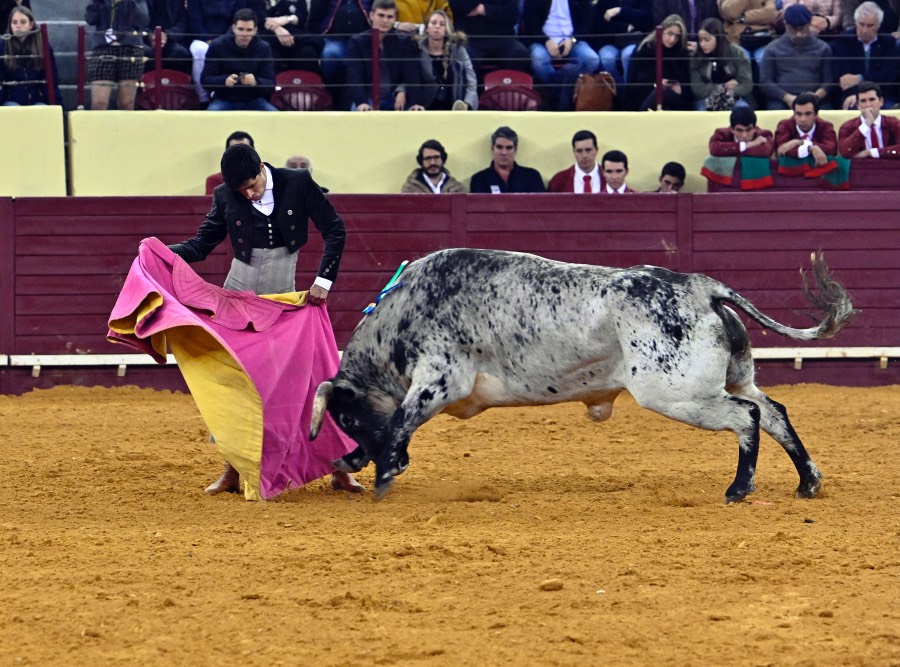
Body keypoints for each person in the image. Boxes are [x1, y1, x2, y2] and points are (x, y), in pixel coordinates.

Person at [168, 142, 362, 495]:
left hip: (283, 299)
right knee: (236, 381)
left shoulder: (297, 182)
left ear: (261, 168)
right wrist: (164, 254)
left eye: (251, 185)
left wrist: (323, 281)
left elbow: (335, 229)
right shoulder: (225, 195)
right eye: (240, 190)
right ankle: (232, 470)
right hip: (238, 299)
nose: (248, 194)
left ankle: (340, 467)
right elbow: (201, 244)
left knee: (313, 378)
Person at [522, 0, 600, 111]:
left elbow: (587, 23)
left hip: (573, 40)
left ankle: (557, 92)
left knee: (592, 59)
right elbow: (531, 24)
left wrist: (572, 40)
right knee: (538, 59)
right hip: (543, 41)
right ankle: (563, 92)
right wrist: (546, 41)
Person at [346, 0, 421, 110]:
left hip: (394, 98)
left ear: (395, 19)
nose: (385, 20)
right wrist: (362, 102)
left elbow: (412, 75)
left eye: (389, 17)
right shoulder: (357, 42)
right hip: (367, 98)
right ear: (371, 15)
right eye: (381, 15)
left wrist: (403, 91)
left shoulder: (404, 41)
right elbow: (354, 76)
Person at [202, 8, 278, 111]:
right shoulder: (217, 46)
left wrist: (256, 82)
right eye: (240, 29)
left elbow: (271, 83)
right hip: (224, 100)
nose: (244, 34)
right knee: (209, 117)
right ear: (233, 28)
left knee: (276, 116)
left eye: (249, 30)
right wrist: (224, 81)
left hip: (254, 100)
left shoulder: (263, 48)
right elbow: (205, 80)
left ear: (255, 30)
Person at [758, 4, 832, 110]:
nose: (799, 34)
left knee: (827, 113)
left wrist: (815, 97)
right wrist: (786, 97)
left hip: (816, 99)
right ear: (786, 25)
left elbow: (829, 81)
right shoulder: (773, 49)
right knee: (776, 112)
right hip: (782, 100)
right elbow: (765, 81)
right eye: (793, 29)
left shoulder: (823, 48)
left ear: (809, 24)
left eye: (802, 29)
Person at [831, 2, 898, 110]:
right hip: (853, 94)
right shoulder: (844, 40)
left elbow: (888, 75)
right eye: (861, 24)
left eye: (870, 25)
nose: (864, 30)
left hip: (882, 95)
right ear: (855, 22)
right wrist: (857, 95)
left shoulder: (888, 42)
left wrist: (860, 78)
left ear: (879, 25)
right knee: (854, 106)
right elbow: (844, 78)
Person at [84, 0, 150, 110]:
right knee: (99, 103)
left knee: (126, 103)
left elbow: (143, 20)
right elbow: (90, 18)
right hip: (103, 47)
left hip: (130, 47)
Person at [408, 10, 477, 110]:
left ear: (446, 30)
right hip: (424, 106)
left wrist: (467, 104)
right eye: (433, 23)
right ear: (427, 28)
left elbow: (471, 80)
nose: (437, 26)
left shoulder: (458, 50)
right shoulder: (417, 50)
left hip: (453, 106)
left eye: (442, 24)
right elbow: (408, 77)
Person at [309, 0, 373, 108]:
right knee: (329, 55)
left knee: (362, 64)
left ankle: (358, 101)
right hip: (335, 39)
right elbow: (315, 18)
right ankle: (332, 99)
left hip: (363, 41)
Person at [187, 1, 252, 105]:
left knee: (230, 48)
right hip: (202, 38)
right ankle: (203, 99)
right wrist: (207, 39)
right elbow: (194, 20)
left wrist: (222, 41)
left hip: (230, 37)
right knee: (199, 50)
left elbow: (237, 20)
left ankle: (221, 94)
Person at [626, 14, 693, 111]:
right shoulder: (644, 50)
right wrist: (655, 85)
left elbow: (688, 89)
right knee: (660, 92)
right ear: (661, 31)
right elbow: (632, 83)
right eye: (670, 34)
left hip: (674, 101)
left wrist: (680, 89)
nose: (673, 39)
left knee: (664, 94)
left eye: (677, 36)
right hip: (645, 98)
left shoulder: (681, 53)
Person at [448, 0, 530, 76]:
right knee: (462, 57)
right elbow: (457, 7)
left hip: (502, 37)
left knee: (519, 54)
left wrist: (483, 9)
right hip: (470, 39)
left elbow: (512, 14)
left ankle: (509, 86)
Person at [0, 6, 61, 106]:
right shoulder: (3, 46)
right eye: (14, 22)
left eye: (23, 22)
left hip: (37, 99)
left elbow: (52, 78)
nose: (18, 26)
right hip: (11, 99)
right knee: (12, 109)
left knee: (43, 110)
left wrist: (56, 105)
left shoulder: (43, 46)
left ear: (31, 25)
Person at [690, 16, 755, 110]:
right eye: (700, 40)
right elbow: (698, 90)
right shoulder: (695, 58)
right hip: (705, 99)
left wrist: (731, 92)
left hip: (735, 97)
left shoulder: (736, 52)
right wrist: (723, 87)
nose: (702, 44)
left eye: (707, 40)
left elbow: (747, 84)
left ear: (718, 38)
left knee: (742, 110)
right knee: (703, 113)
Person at [590, 0, 653, 84]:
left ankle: (629, 88)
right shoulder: (602, 2)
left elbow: (646, 18)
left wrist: (620, 11)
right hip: (609, 41)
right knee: (607, 59)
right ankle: (618, 90)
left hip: (633, 40)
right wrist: (625, 27)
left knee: (628, 55)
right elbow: (599, 25)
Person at [470, 126, 545, 193]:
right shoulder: (479, 179)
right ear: (492, 149)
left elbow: (541, 203)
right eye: (499, 147)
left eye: (509, 148)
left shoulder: (532, 177)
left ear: (515, 150)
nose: (504, 152)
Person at [838, 81, 900, 159]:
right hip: (861, 166)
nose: (868, 105)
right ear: (858, 105)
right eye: (863, 101)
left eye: (872, 99)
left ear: (881, 102)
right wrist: (866, 125)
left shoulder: (893, 123)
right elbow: (845, 152)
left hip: (889, 165)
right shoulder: (848, 126)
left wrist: (870, 153)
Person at [257, 0, 323, 73]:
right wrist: (277, 29)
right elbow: (259, 18)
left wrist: (287, 19)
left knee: (308, 52)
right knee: (270, 55)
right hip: (268, 36)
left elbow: (302, 16)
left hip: (294, 35)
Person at [774, 91, 838, 165]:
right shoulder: (785, 125)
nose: (803, 119)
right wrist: (810, 148)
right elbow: (781, 151)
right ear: (794, 114)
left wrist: (799, 143)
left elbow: (831, 150)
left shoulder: (826, 126)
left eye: (808, 114)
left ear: (816, 114)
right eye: (798, 114)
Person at [718, 0, 778, 69]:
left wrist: (744, 18)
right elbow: (730, 12)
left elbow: (771, 13)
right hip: (737, 40)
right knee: (743, 61)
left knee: (764, 59)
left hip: (762, 39)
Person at [143, 0, 192, 75]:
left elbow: (182, 23)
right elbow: (136, 21)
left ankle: (174, 82)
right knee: (145, 52)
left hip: (170, 38)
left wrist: (167, 35)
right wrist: (149, 35)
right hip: (145, 39)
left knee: (180, 53)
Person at [401, 139, 467, 193]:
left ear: (443, 159)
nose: (432, 162)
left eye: (436, 157)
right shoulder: (410, 188)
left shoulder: (457, 188)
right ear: (421, 161)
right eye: (428, 158)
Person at [709, 106, 775, 156]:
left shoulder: (764, 134)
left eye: (749, 130)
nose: (744, 135)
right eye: (739, 130)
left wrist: (731, 151)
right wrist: (748, 144)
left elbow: (766, 152)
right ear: (732, 129)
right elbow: (714, 149)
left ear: (755, 128)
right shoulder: (721, 134)